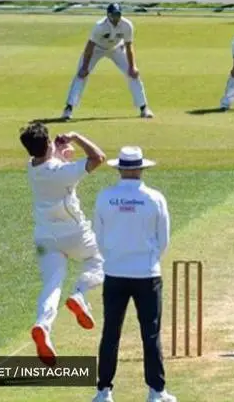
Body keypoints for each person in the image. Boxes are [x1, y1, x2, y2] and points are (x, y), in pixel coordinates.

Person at [91, 146, 176, 402]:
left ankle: (104, 391)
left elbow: (99, 236)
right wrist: (147, 259)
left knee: (110, 332)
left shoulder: (105, 197)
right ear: (140, 169)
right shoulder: (154, 198)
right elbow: (164, 240)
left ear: (120, 169)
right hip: (147, 274)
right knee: (150, 333)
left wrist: (115, 257)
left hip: (115, 272)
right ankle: (156, 392)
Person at [19, 122, 107, 366]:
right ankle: (79, 294)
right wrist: (75, 137)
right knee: (100, 262)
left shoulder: (32, 167)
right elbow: (98, 157)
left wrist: (59, 152)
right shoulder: (61, 172)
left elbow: (49, 162)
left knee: (51, 285)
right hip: (74, 233)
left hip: (45, 237)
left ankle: (42, 325)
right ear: (47, 144)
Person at [62, 3, 154, 121]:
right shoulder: (99, 26)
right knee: (81, 75)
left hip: (116, 49)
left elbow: (129, 45)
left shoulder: (127, 25)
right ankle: (68, 109)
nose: (116, 18)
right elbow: (90, 46)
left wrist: (133, 66)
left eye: (118, 15)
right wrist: (85, 67)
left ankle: (144, 108)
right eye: (113, 15)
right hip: (97, 49)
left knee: (133, 74)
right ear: (108, 15)